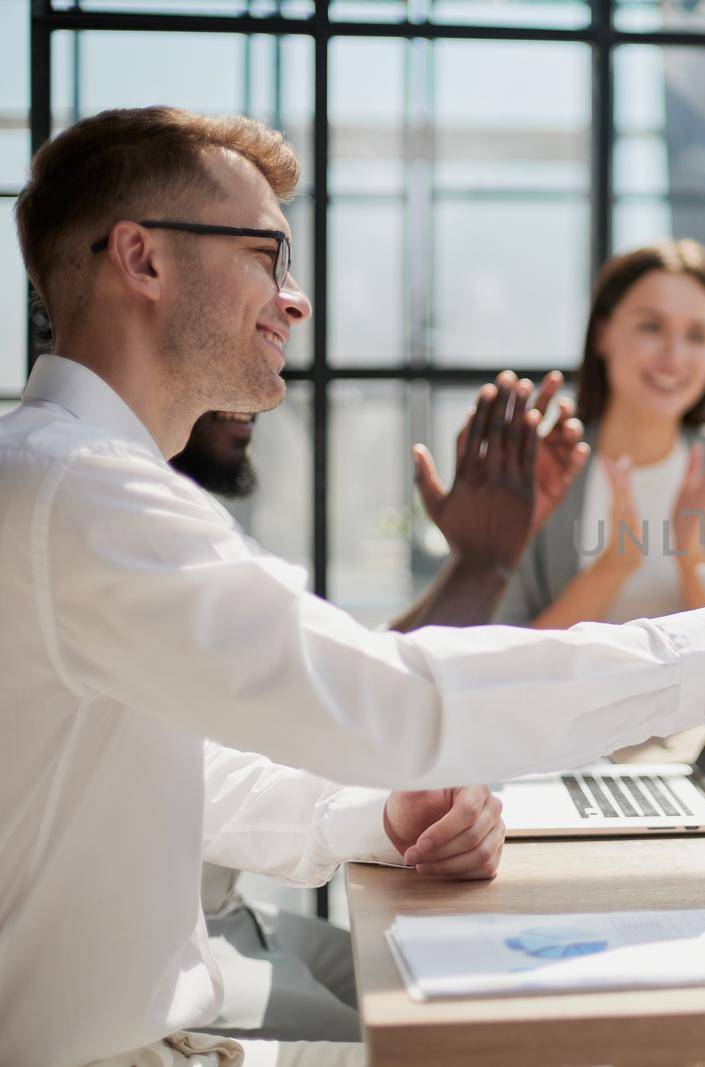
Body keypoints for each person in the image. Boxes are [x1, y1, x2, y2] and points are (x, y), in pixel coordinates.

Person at [0, 106, 705, 1067]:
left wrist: (379, 815)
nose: (295, 300)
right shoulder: (72, 490)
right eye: (267, 254)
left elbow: (190, 775)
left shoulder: (74, 485)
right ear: (143, 259)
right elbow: (386, 696)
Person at [171, 377, 569, 1044]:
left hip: (226, 912)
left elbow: (327, 692)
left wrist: (484, 564)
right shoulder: (107, 523)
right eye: (264, 268)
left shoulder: (186, 519)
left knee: (479, 1002)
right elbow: (332, 710)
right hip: (165, 957)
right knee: (448, 1040)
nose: (289, 307)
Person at [493, 239, 705, 629]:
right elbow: (503, 656)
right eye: (650, 326)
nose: (675, 357)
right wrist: (613, 566)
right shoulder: (539, 468)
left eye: (697, 335)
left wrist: (690, 555)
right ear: (602, 334)